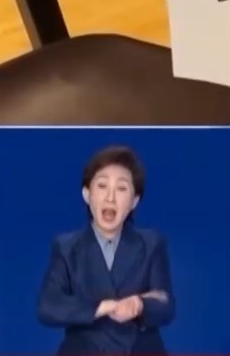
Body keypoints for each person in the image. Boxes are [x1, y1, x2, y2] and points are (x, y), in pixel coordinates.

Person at [37, 146, 174, 355]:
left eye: (121, 188)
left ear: (134, 201)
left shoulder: (152, 243)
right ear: (87, 194)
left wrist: (139, 304)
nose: (110, 197)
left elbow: (166, 306)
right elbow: (48, 306)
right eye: (102, 186)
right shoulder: (65, 247)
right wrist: (102, 307)